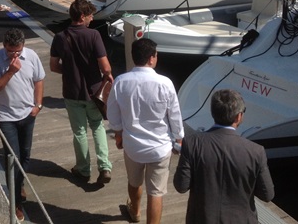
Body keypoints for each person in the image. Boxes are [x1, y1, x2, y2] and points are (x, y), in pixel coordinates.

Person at [107, 38, 184, 224]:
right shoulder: (165, 83)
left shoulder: (121, 81)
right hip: (160, 147)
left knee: (134, 182)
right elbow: (175, 115)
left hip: (132, 146)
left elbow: (112, 113)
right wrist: (179, 139)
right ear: (151, 58)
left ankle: (135, 211)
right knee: (156, 192)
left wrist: (118, 134)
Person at [173, 89, 274, 224]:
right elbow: (267, 194)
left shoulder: (192, 143)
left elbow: (181, 186)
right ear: (239, 116)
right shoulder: (256, 151)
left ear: (213, 113)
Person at [49, 0, 114, 186]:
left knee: (79, 132)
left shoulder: (60, 37)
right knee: (97, 126)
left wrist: (69, 71)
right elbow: (106, 68)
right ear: (83, 16)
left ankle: (84, 169)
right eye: (91, 15)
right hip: (93, 91)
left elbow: (54, 66)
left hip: (72, 92)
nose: (92, 19)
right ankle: (105, 166)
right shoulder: (93, 35)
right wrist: (106, 77)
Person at [0, 28, 45, 223]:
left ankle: (18, 184)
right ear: (4, 46)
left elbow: (39, 80)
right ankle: (16, 201)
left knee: (25, 155)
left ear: (23, 46)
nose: (14, 55)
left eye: (18, 51)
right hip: (6, 116)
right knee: (13, 157)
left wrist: (37, 105)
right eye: (11, 51)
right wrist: (11, 71)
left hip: (28, 114)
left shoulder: (32, 56)